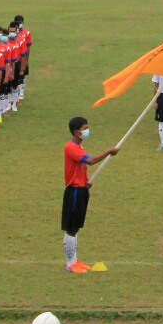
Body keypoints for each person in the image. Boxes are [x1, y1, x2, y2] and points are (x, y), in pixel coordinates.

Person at [62, 116, 119, 273]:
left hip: (81, 189)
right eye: (85, 128)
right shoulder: (71, 147)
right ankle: (70, 264)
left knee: (76, 227)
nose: (87, 131)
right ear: (76, 132)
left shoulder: (79, 146)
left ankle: (75, 261)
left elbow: (79, 168)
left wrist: (86, 181)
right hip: (74, 191)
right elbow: (90, 161)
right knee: (71, 228)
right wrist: (108, 152)